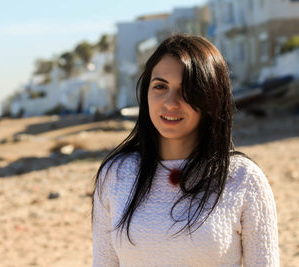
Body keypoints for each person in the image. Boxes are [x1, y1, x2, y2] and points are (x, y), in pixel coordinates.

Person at [92, 34, 279, 266]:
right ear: (145, 93)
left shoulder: (243, 179)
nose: (170, 102)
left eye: (187, 90)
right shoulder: (116, 174)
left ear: (212, 97)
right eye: (160, 86)